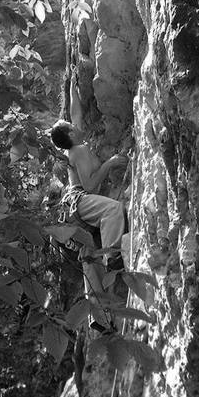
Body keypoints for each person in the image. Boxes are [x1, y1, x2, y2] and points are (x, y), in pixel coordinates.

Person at [50, 72, 127, 331]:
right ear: (71, 135)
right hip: (79, 200)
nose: (75, 124)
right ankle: (114, 256)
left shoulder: (71, 147)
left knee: (88, 258)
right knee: (113, 210)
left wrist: (72, 85)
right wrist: (110, 164)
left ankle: (100, 318)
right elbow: (91, 184)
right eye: (71, 127)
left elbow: (75, 115)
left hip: (71, 215)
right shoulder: (79, 150)